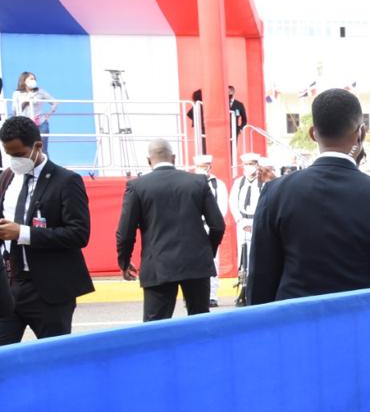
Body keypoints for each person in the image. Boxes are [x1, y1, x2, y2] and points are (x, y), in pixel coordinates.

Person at [247, 88, 370, 303]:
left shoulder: (275, 192)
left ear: (313, 133)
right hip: (357, 318)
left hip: (294, 319)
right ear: (361, 133)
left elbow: (261, 277)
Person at [0, 116, 93, 343]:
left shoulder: (66, 181)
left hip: (49, 291)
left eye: (19, 154)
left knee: (54, 357)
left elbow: (78, 234)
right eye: (9, 155)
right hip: (10, 286)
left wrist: (22, 233)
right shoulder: (7, 177)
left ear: (38, 146)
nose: (15, 160)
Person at [115, 140, 225, 321]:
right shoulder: (198, 182)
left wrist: (124, 261)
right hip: (196, 264)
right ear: (173, 158)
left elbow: (125, 233)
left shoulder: (137, 186)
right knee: (199, 324)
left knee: (156, 327)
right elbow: (218, 225)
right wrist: (207, 252)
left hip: (158, 265)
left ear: (149, 161)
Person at [194, 154, 228, 306]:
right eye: (200, 167)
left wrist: (214, 223)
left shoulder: (217, 184)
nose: (203, 169)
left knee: (213, 260)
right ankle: (195, 295)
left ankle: (212, 295)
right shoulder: (191, 183)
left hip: (211, 225)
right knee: (193, 260)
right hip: (195, 226)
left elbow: (222, 206)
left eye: (205, 167)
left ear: (210, 167)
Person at [230, 152, 264, 279]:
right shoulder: (239, 183)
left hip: (258, 221)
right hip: (242, 221)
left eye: (251, 164)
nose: (249, 167)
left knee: (258, 251)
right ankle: (244, 280)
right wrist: (240, 220)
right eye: (246, 164)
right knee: (243, 252)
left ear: (257, 165)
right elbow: (233, 202)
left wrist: (257, 222)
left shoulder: (262, 183)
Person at [12, 72, 57, 155]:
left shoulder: (40, 91)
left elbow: (55, 102)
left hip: (40, 124)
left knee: (43, 150)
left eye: (34, 79)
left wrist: (48, 115)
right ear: (24, 80)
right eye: (31, 79)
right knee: (27, 149)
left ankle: (45, 163)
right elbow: (14, 110)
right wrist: (25, 101)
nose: (34, 81)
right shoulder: (17, 94)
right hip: (25, 125)